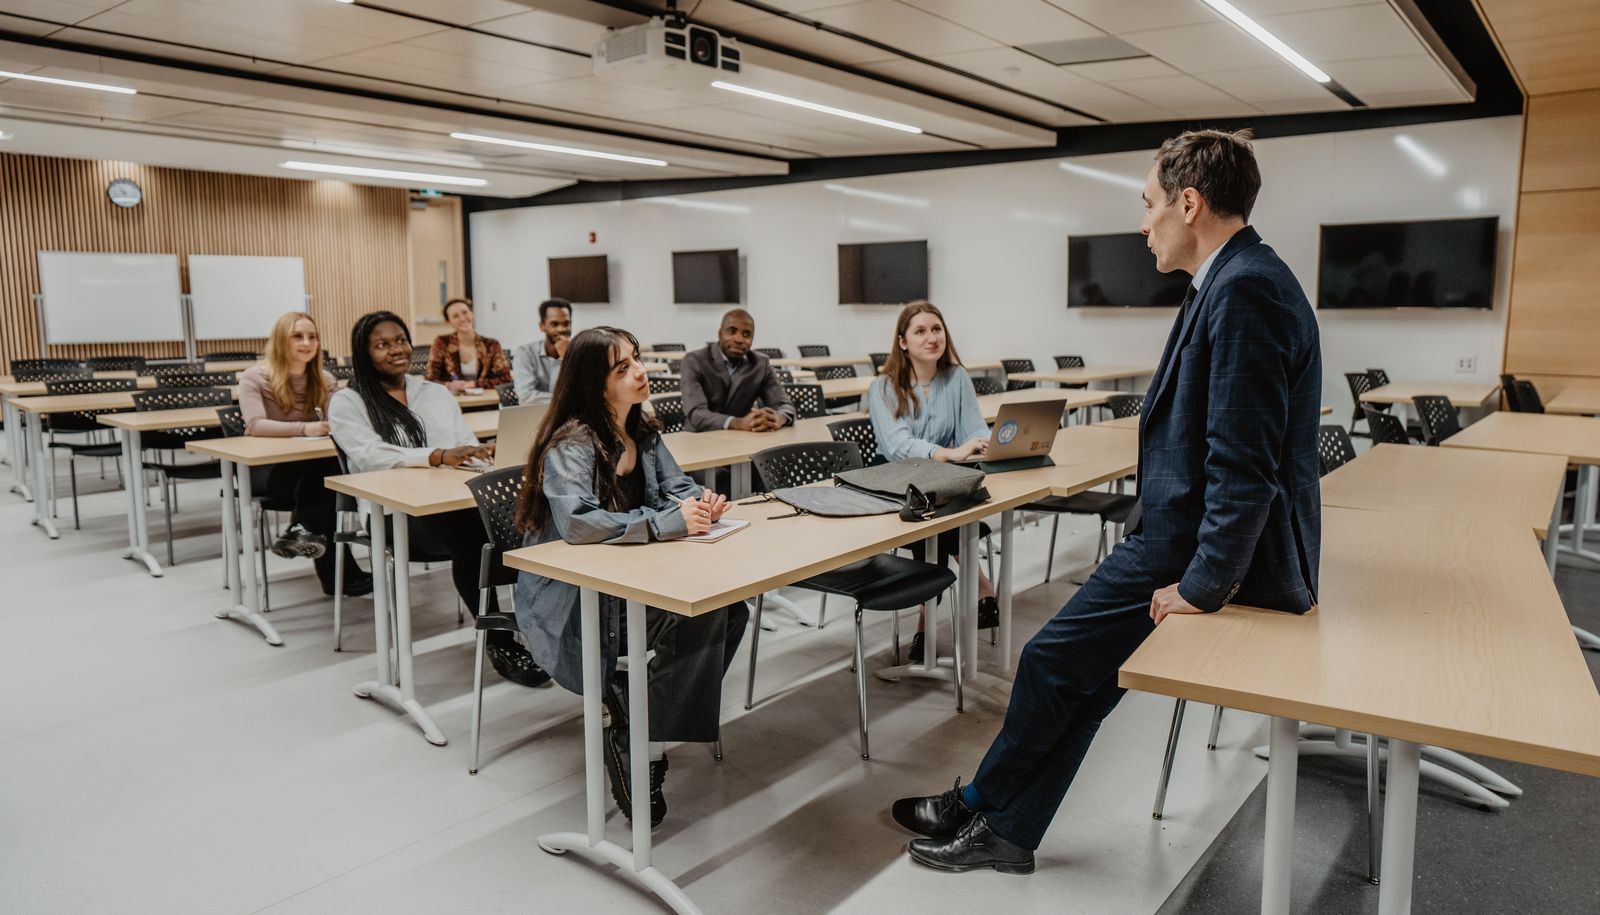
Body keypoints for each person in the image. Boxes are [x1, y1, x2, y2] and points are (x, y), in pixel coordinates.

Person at [890, 128, 1322, 875]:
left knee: (1050, 660)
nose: (1143, 221)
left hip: (1193, 550)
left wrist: (1202, 584)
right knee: (1086, 681)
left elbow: (1244, 465)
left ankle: (978, 801)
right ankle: (1008, 829)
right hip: (1189, 536)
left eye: (1150, 204)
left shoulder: (1245, 287)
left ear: (1190, 204)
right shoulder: (1233, 277)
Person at [513, 326, 749, 829]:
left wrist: (700, 502)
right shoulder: (572, 443)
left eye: (636, 360)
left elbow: (676, 486)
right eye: (622, 368)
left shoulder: (641, 429)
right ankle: (640, 733)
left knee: (730, 611)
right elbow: (579, 523)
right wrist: (666, 523)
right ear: (593, 383)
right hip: (577, 594)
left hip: (631, 574)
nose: (640, 371)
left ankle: (638, 730)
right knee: (703, 614)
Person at [330, 310, 548, 688]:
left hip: (451, 501)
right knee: (472, 532)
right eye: (382, 345)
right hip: (395, 516)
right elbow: (369, 456)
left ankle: (540, 622)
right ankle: (499, 637)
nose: (396, 350)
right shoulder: (348, 402)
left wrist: (480, 452)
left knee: (524, 517)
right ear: (363, 353)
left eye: (400, 340)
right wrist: (435, 456)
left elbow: (461, 441)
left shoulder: (434, 392)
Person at [867, 300, 1000, 661]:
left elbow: (972, 428)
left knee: (945, 511)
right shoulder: (883, 387)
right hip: (897, 485)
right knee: (938, 516)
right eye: (920, 331)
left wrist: (980, 445)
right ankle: (981, 586)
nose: (931, 338)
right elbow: (897, 447)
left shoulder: (956, 378)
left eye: (937, 329)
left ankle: (927, 620)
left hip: (943, 480)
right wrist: (950, 453)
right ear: (903, 342)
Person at [239, 311, 371, 597]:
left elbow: (341, 421)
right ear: (280, 341)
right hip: (269, 474)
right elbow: (255, 425)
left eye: (312, 336)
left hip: (311, 478)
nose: (307, 342)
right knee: (326, 477)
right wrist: (305, 429)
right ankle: (339, 573)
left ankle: (303, 530)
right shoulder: (255, 377)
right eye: (297, 336)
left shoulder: (324, 379)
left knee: (326, 477)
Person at [678, 308, 796, 432]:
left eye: (746, 334)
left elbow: (785, 406)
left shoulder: (761, 363)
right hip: (699, 439)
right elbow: (696, 414)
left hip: (741, 438)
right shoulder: (694, 360)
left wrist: (777, 418)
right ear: (720, 334)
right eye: (732, 331)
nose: (739, 339)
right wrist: (737, 423)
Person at [426, 297, 512, 393]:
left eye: (465, 312)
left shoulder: (491, 344)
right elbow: (430, 381)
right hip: (452, 401)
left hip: (485, 402)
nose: (462, 318)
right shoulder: (441, 343)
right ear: (448, 322)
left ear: (472, 314)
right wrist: (448, 385)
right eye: (455, 316)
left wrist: (474, 384)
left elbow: (506, 379)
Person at [510, 298, 572, 405]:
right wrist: (566, 401)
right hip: (534, 417)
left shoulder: (580, 353)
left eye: (566, 323)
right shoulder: (525, 353)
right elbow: (526, 397)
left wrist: (567, 358)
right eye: (554, 324)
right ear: (542, 326)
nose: (562, 329)